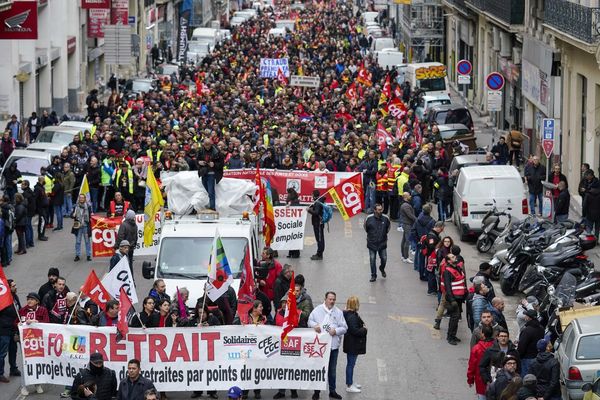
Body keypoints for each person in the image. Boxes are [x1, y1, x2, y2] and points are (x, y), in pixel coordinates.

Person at [308, 291, 348, 400]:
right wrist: (314, 325)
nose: (332, 301)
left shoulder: (338, 312)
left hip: (333, 347)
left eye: (334, 299)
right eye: (330, 299)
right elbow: (309, 321)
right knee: (319, 368)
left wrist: (336, 331)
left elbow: (344, 328)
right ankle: (317, 391)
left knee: (332, 369)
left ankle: (332, 391)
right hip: (320, 347)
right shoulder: (317, 310)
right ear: (325, 299)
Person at [440, 252, 466, 345]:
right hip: (454, 298)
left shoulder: (458, 268)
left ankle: (453, 335)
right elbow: (448, 287)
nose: (455, 257)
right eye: (452, 257)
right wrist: (452, 300)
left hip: (459, 297)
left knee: (456, 317)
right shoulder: (448, 271)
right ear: (449, 261)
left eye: (454, 256)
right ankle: (450, 337)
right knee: (454, 317)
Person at [343, 296, 367, 394]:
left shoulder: (350, 314)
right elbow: (354, 330)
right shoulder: (352, 316)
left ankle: (351, 382)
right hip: (352, 344)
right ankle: (349, 385)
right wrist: (364, 329)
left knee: (351, 364)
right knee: (350, 364)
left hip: (352, 343)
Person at [363, 203, 391, 282]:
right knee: (372, 259)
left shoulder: (386, 218)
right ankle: (373, 275)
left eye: (381, 209)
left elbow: (388, 228)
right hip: (372, 243)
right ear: (374, 210)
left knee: (384, 258)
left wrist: (383, 235)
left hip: (382, 243)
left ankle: (382, 268)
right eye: (379, 210)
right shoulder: (369, 218)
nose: (380, 211)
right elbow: (366, 228)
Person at [467, 324, 495, 400]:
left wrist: (470, 379)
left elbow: (472, 365)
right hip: (494, 378)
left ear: (482, 334)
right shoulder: (496, 346)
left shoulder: (476, 348)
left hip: (480, 379)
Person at [197, 138, 224, 210]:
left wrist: (214, 164)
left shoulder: (217, 151)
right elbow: (196, 160)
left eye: (208, 145)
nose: (207, 146)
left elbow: (221, 164)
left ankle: (212, 207)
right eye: (205, 145)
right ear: (203, 144)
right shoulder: (200, 150)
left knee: (211, 191)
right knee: (208, 191)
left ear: (211, 144)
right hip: (203, 172)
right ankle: (210, 205)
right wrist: (199, 162)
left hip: (212, 173)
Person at [517, 309, 545, 376]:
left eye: (526, 315)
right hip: (538, 357)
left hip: (527, 358)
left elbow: (522, 346)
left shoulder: (527, 330)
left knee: (525, 377)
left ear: (529, 317)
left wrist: (518, 356)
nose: (525, 317)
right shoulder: (541, 328)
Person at [411, 204, 435, 280]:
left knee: (421, 258)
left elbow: (413, 231)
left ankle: (421, 274)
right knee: (429, 259)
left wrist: (417, 240)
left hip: (420, 242)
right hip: (429, 244)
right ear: (430, 211)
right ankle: (427, 274)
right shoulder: (432, 221)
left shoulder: (418, 220)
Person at [72, 194, 92, 262]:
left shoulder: (88, 207)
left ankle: (88, 255)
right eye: (80, 198)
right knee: (78, 241)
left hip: (86, 226)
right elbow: (71, 215)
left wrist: (92, 215)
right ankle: (77, 255)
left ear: (85, 199)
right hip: (78, 226)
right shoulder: (76, 206)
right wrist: (72, 215)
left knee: (87, 241)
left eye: (82, 198)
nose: (81, 199)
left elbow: (91, 215)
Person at [307, 190, 325, 260]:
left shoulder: (317, 202)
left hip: (318, 223)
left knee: (320, 239)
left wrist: (309, 210)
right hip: (318, 223)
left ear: (313, 195)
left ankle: (319, 254)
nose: (311, 196)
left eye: (312, 194)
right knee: (319, 239)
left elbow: (316, 213)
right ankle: (319, 253)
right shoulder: (318, 201)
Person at [399, 191, 416, 263]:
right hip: (407, 224)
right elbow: (410, 215)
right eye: (409, 195)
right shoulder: (406, 205)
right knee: (407, 241)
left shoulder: (405, 204)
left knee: (404, 240)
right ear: (405, 197)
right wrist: (417, 220)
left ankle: (403, 256)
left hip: (406, 224)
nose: (410, 196)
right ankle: (406, 257)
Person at [20, 180, 35, 248]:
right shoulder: (30, 191)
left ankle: (28, 243)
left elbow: (25, 204)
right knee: (29, 227)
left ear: (26, 185)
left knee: (27, 227)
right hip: (31, 212)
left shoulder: (25, 194)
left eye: (23, 184)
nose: (21, 185)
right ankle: (31, 242)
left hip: (28, 212)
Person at [33, 175, 49, 241]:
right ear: (41, 180)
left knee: (44, 221)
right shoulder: (38, 188)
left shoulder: (41, 187)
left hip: (43, 207)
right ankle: (41, 236)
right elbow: (35, 198)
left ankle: (42, 234)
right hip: (41, 208)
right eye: (44, 180)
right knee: (42, 221)